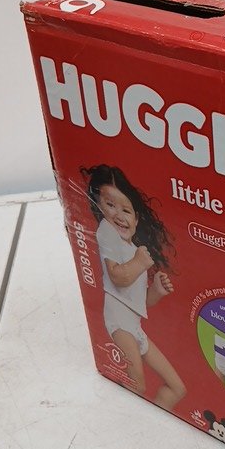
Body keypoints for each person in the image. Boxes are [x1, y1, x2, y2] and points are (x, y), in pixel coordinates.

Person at [81, 164, 186, 411]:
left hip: (135, 327)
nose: (119, 215)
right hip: (119, 322)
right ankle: (127, 422)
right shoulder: (106, 232)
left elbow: (140, 302)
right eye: (110, 205)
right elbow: (118, 277)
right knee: (136, 384)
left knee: (177, 388)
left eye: (126, 210)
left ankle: (150, 420)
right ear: (98, 207)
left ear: (136, 219)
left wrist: (156, 291)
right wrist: (140, 262)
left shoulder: (133, 249)